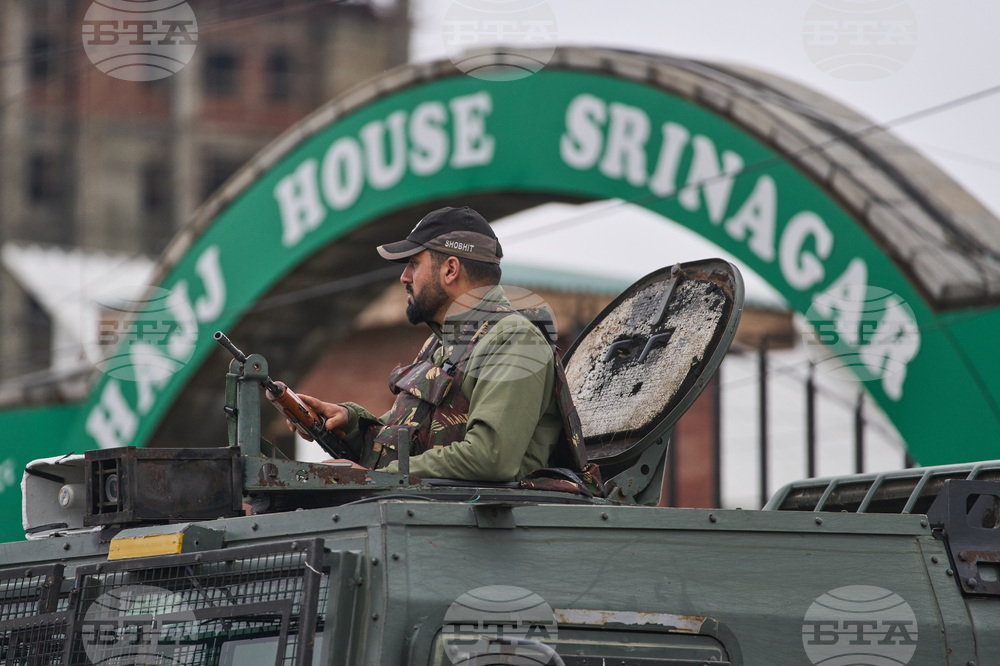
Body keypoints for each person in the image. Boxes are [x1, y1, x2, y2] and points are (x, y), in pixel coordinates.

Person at [295, 205, 600, 492]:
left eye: (414, 264)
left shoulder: (515, 339)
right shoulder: (443, 343)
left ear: (450, 269)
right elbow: (411, 441)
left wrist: (373, 479)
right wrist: (348, 423)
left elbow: (490, 457)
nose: (404, 277)